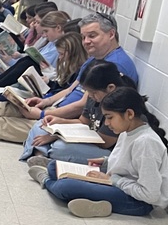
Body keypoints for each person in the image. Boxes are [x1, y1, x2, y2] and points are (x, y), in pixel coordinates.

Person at [27, 87, 168, 217]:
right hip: (118, 183)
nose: (106, 123)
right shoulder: (127, 131)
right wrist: (106, 162)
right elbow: (128, 165)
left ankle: (46, 181)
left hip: (138, 202)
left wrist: (112, 180)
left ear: (129, 114)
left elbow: (150, 195)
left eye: (110, 117)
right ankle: (98, 204)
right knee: (53, 167)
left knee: (65, 186)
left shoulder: (146, 143)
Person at [18, 12, 138, 161]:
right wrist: (56, 120)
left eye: (92, 36)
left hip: (102, 140)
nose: (86, 42)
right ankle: (40, 155)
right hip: (84, 125)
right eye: (83, 37)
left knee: (58, 146)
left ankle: (42, 155)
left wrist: (54, 128)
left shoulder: (115, 66)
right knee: (41, 126)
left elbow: (104, 137)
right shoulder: (94, 60)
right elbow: (80, 110)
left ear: (111, 34)